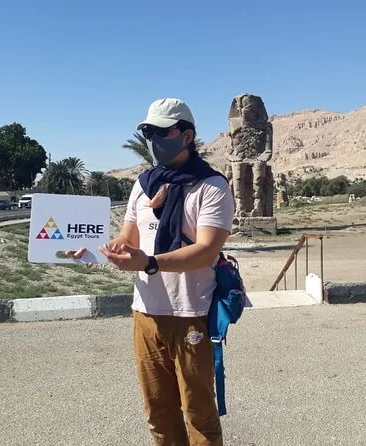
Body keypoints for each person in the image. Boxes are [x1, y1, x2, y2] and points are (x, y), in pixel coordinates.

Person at [68, 98, 234, 446]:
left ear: (187, 136)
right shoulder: (142, 185)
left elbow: (207, 250)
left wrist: (150, 262)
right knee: (158, 412)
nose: (154, 139)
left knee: (199, 414)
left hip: (191, 314)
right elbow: (127, 241)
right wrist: (93, 251)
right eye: (148, 132)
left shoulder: (211, 186)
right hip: (145, 313)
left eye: (162, 131)